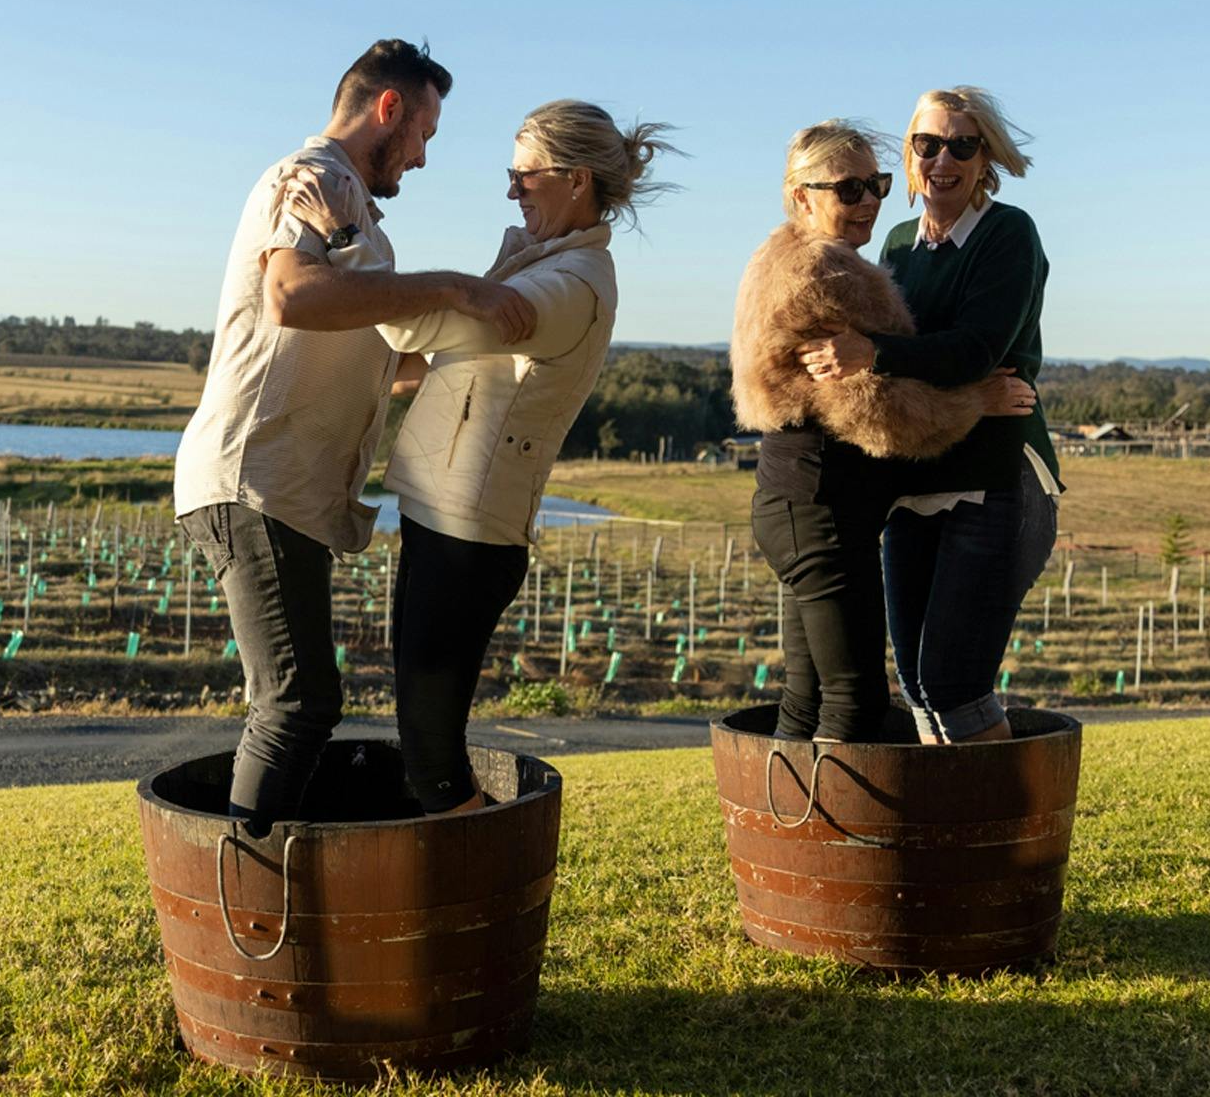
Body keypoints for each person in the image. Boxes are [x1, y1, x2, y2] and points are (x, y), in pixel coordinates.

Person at [174, 39, 536, 835]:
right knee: (298, 701)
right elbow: (293, 296)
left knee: (299, 699)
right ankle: (249, 891)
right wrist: (450, 285)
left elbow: (384, 359)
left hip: (280, 488)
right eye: (424, 137)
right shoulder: (313, 179)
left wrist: (483, 331)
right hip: (254, 477)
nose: (422, 159)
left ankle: (257, 887)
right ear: (390, 109)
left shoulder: (352, 213)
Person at [285, 100, 676, 812]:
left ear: (576, 179)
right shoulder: (539, 265)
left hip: (472, 530)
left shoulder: (572, 286)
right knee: (424, 739)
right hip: (448, 517)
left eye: (523, 174)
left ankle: (475, 887)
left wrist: (342, 234)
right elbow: (433, 344)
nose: (511, 189)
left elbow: (421, 320)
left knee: (432, 755)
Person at [731, 120, 1034, 743]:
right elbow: (886, 415)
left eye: (876, 182)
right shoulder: (834, 274)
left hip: (796, 499)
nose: (869, 199)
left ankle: (779, 832)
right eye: (849, 188)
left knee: (807, 699)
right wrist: (977, 398)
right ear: (802, 196)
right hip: (824, 507)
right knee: (854, 704)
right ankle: (834, 839)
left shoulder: (779, 256)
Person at [795, 89, 1060, 744]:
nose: (944, 159)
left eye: (963, 145)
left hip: (995, 478)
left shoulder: (1008, 233)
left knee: (954, 685)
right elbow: (934, 368)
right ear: (910, 155)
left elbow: (977, 350)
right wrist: (953, 387)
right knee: (916, 687)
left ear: (985, 157)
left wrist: (874, 354)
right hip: (917, 478)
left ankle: (1002, 837)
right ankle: (948, 835)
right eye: (928, 144)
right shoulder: (897, 243)